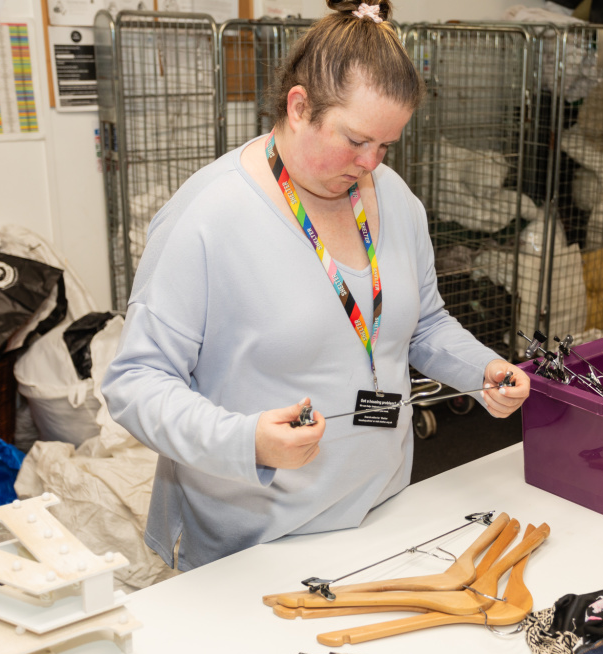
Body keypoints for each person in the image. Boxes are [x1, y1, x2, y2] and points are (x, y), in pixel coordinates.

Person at [101, 0, 531, 571]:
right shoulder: (208, 217)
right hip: (252, 544)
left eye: (386, 145)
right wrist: (245, 439)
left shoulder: (395, 200)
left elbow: (423, 323)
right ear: (299, 107)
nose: (371, 163)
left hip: (382, 513)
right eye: (355, 141)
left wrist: (482, 371)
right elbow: (136, 383)